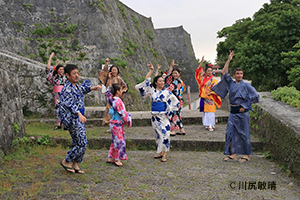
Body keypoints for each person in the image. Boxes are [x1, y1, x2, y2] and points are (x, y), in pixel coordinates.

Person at [211, 51, 259, 162]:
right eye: (237, 74)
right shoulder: (231, 83)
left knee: (243, 133)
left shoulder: (246, 85)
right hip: (233, 113)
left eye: (241, 74)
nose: (239, 76)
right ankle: (233, 154)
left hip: (242, 113)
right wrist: (228, 60)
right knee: (230, 133)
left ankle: (246, 155)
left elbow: (255, 96)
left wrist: (246, 107)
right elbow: (223, 73)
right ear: (234, 75)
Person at [58, 64, 102, 173]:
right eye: (74, 74)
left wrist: (93, 88)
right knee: (82, 141)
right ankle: (67, 161)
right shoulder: (67, 89)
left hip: (78, 118)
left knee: (77, 141)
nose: (76, 75)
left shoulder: (75, 86)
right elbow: (70, 104)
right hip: (73, 118)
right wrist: (79, 114)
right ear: (67, 75)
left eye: (77, 73)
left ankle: (75, 163)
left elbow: (82, 89)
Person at [135, 62, 179, 162]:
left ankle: (165, 154)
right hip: (155, 116)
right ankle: (160, 152)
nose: (162, 82)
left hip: (163, 116)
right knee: (158, 135)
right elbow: (146, 81)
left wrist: (169, 111)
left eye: (163, 81)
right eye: (160, 81)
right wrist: (151, 70)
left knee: (166, 134)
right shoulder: (152, 91)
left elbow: (175, 102)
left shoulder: (167, 92)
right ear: (156, 83)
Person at [105, 82, 132, 167]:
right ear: (117, 91)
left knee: (114, 140)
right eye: (120, 90)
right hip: (117, 123)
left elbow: (107, 92)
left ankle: (111, 157)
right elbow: (123, 113)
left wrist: (110, 84)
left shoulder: (111, 99)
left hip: (113, 123)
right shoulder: (118, 101)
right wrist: (128, 120)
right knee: (119, 141)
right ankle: (117, 158)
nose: (121, 92)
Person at [98, 58, 128, 128]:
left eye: (115, 70)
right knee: (109, 110)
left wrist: (121, 93)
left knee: (117, 111)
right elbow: (104, 76)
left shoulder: (119, 78)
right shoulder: (109, 78)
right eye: (113, 70)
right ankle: (108, 124)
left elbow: (125, 87)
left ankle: (118, 123)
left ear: (117, 71)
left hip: (117, 97)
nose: (114, 71)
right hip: (110, 97)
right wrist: (106, 64)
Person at [195, 56, 222, 131]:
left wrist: (211, 92)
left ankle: (211, 125)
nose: (209, 72)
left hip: (210, 97)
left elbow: (216, 87)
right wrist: (201, 62)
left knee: (211, 112)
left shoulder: (213, 79)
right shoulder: (203, 77)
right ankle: (207, 124)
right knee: (205, 112)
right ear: (206, 71)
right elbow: (198, 71)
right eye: (208, 70)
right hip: (204, 97)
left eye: (210, 71)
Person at [46, 52, 67, 130]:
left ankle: (65, 124)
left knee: (65, 108)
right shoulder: (54, 76)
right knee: (58, 108)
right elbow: (48, 68)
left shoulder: (65, 77)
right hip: (57, 93)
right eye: (60, 69)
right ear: (57, 70)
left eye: (62, 69)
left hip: (64, 93)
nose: (62, 71)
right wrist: (50, 57)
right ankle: (58, 124)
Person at [165, 60, 185, 136]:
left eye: (176, 73)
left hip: (176, 101)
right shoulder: (179, 80)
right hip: (180, 100)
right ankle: (182, 129)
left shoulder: (176, 81)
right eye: (173, 73)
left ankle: (172, 130)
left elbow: (170, 88)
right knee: (178, 115)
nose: (174, 74)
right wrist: (171, 66)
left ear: (179, 74)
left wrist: (162, 92)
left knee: (173, 115)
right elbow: (169, 76)